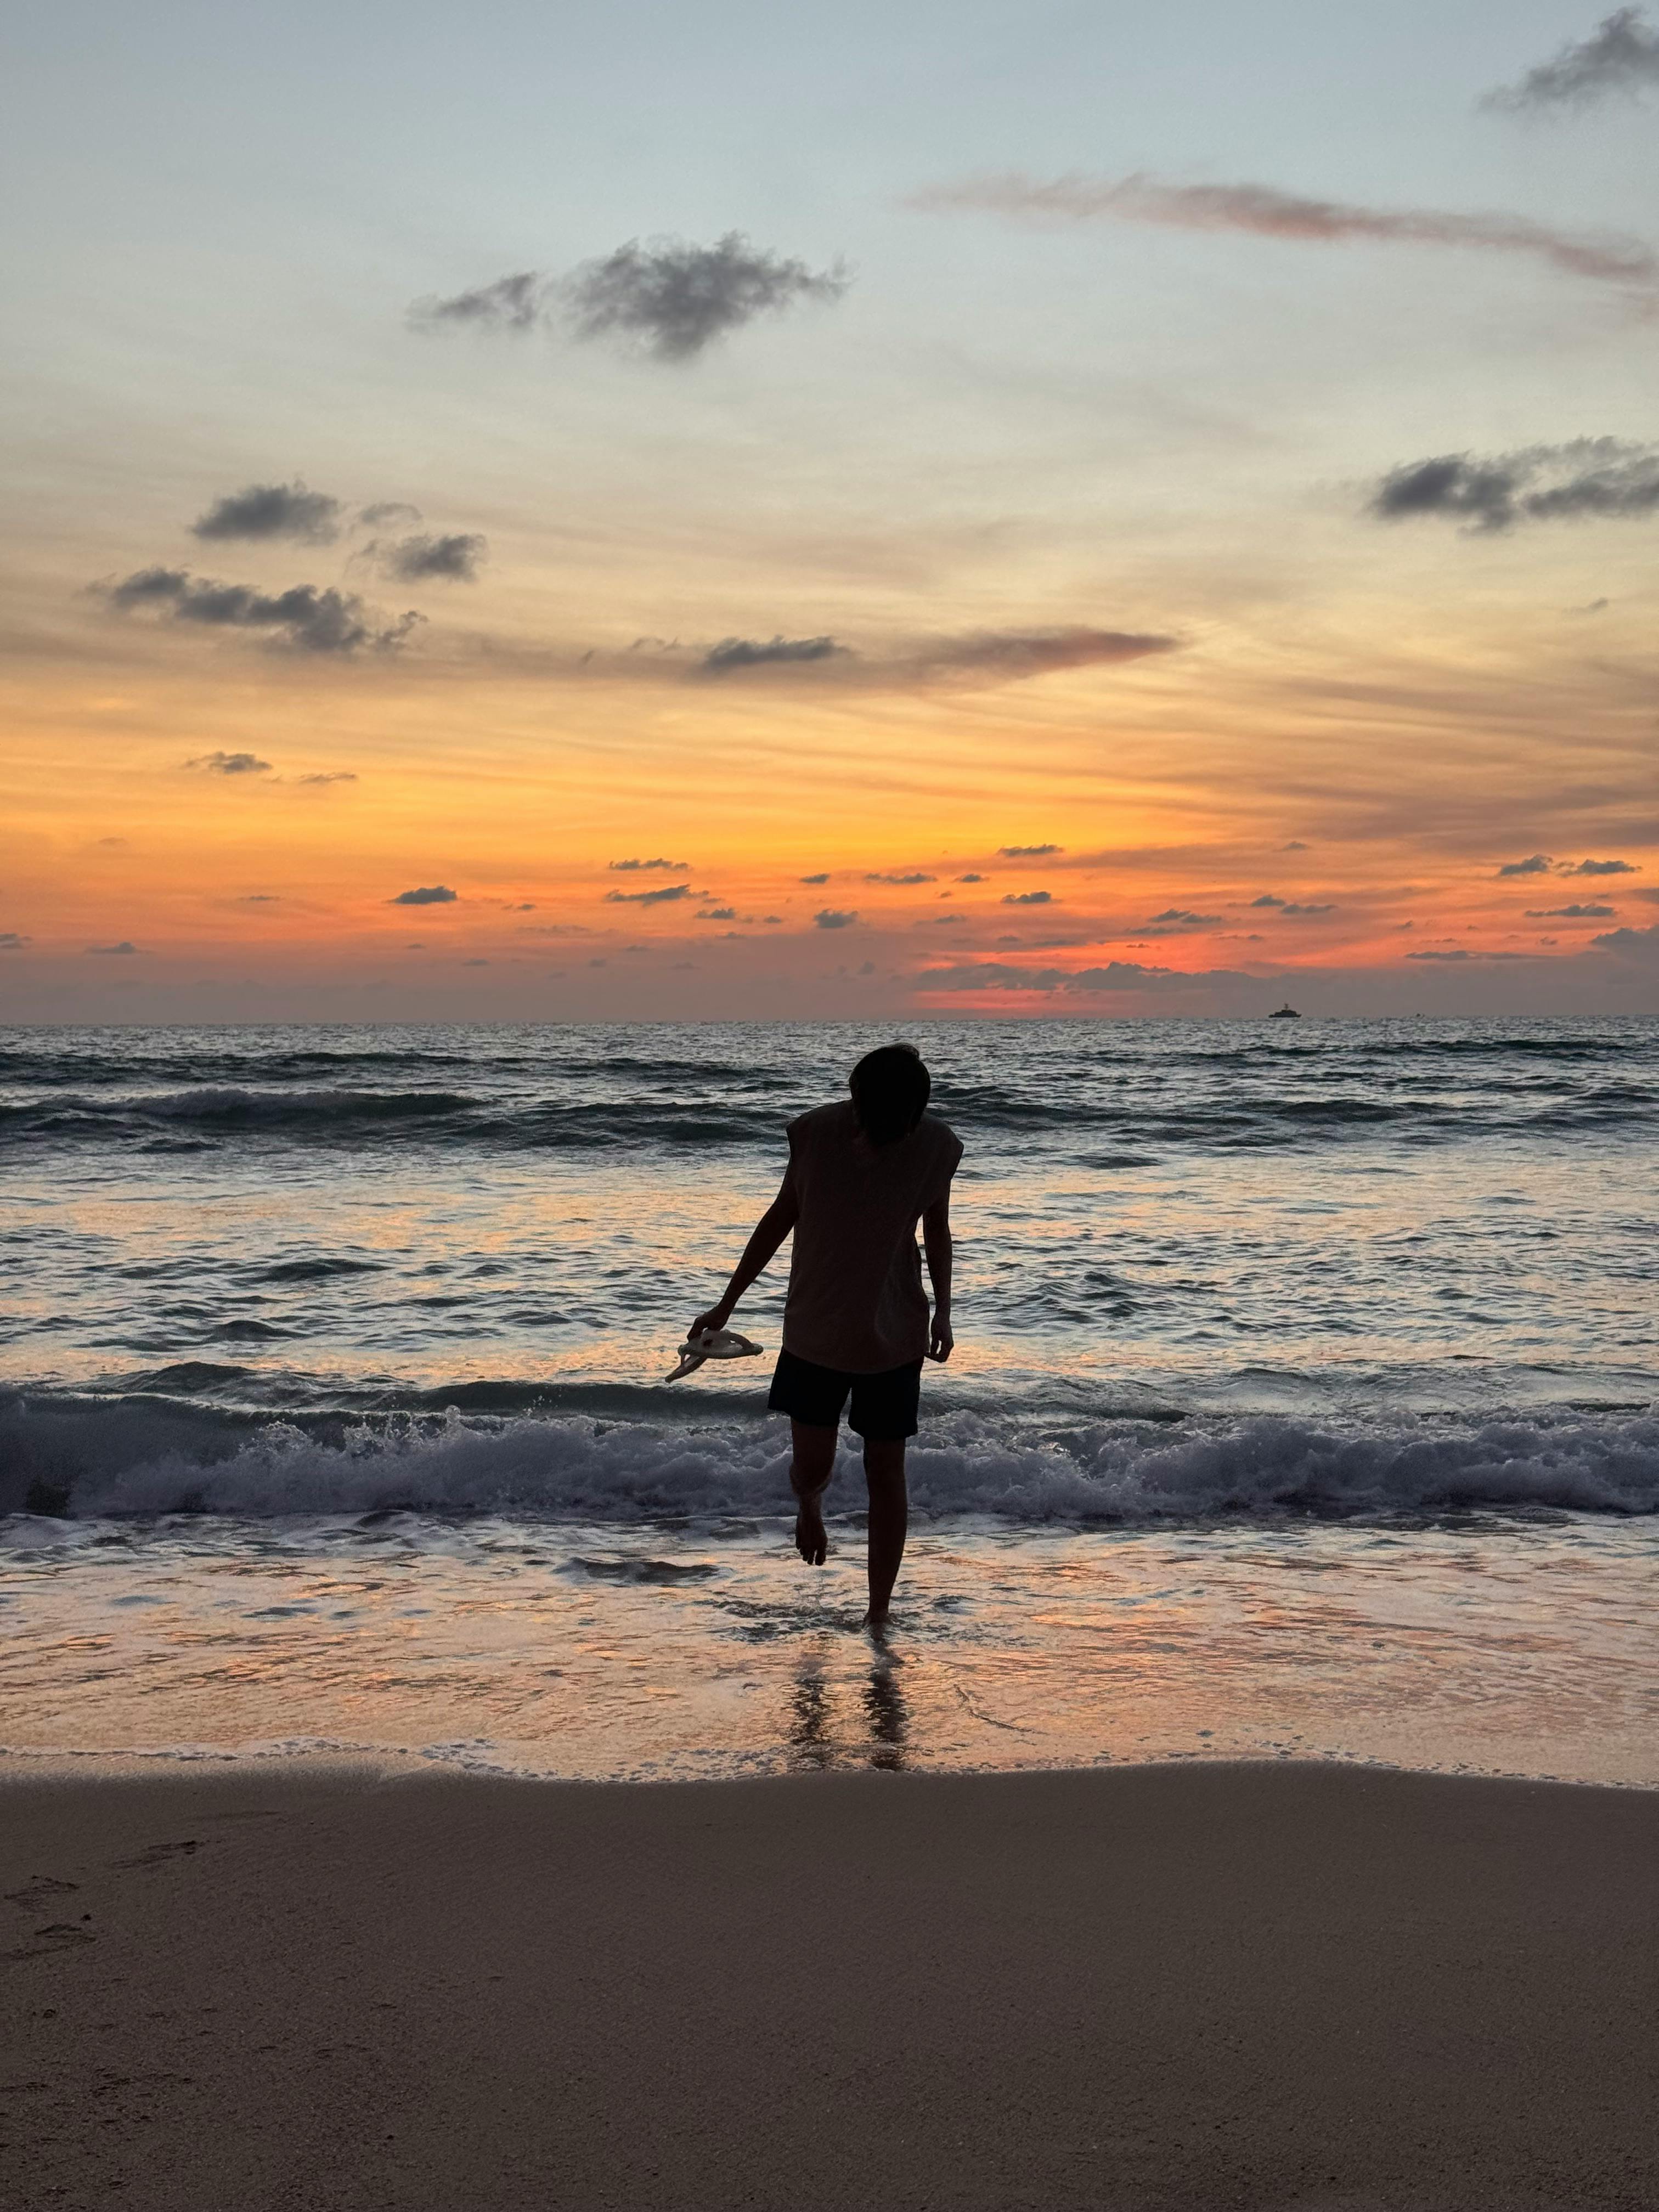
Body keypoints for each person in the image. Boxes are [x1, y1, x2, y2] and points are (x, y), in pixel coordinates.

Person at [689, 1043, 961, 1629]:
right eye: (863, 1107)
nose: (867, 1122)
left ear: (911, 1113)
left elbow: (937, 1234)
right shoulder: (815, 1134)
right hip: (815, 1329)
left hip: (894, 1330)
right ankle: (809, 1505)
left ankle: (878, 1613)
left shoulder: (936, 1147)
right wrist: (726, 1303)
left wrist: (943, 1309)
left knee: (886, 1471)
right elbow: (780, 1216)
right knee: (814, 1467)